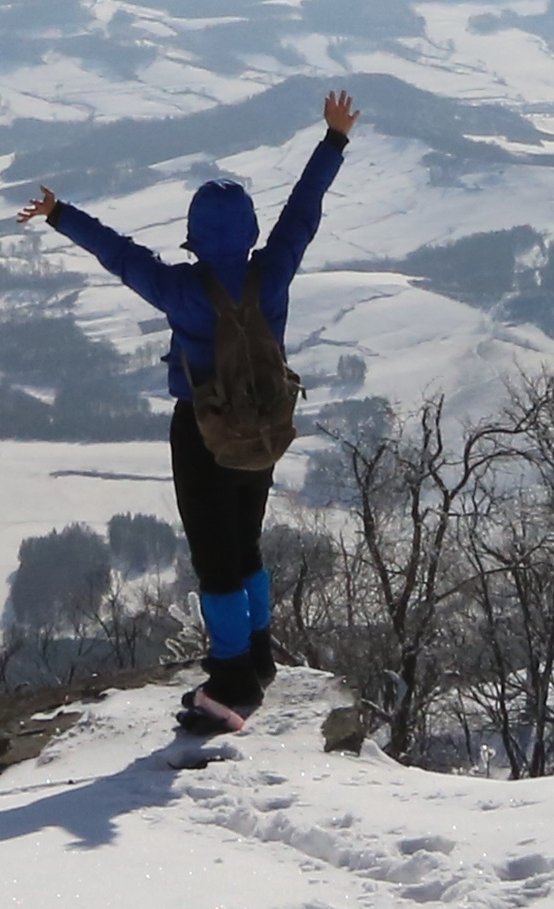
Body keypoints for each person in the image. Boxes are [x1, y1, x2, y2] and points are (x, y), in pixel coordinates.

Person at [23, 87, 351, 737]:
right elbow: (304, 210)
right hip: (264, 427)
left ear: (195, 235)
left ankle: (228, 681)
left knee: (214, 556)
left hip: (200, 431)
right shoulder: (274, 272)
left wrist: (61, 214)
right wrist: (333, 139)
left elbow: (118, 254)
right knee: (246, 541)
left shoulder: (180, 290)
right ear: (251, 231)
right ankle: (256, 656)